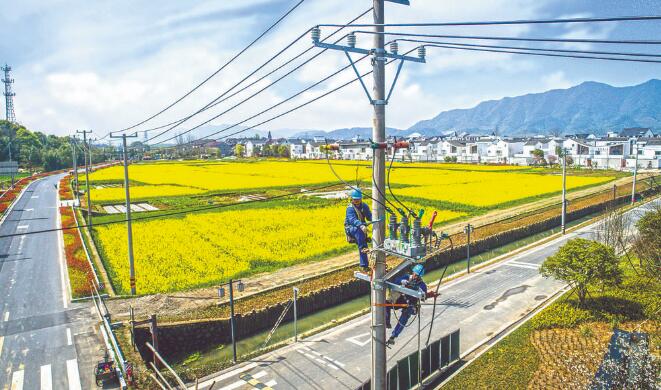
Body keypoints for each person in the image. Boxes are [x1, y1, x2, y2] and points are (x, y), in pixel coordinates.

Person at [386, 264, 437, 346]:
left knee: (406, 314)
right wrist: (402, 281)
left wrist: (419, 291)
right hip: (401, 299)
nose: (415, 277)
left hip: (410, 304)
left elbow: (423, 297)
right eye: (415, 274)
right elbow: (395, 282)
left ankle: (393, 336)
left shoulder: (422, 285)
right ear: (413, 272)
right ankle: (386, 321)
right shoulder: (406, 277)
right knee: (386, 303)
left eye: (417, 276)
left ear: (420, 277)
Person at [344, 188, 372, 269]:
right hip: (351, 228)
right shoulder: (350, 208)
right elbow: (352, 220)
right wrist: (361, 225)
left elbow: (369, 216)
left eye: (358, 199)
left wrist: (375, 219)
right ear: (351, 199)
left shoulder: (364, 206)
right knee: (362, 243)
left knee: (363, 236)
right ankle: (364, 265)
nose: (356, 201)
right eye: (355, 199)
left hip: (361, 227)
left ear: (361, 198)